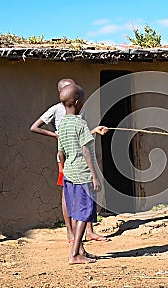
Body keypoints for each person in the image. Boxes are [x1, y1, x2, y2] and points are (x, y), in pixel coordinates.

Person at [30, 78, 109, 244]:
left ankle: (87, 232)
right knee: (72, 198)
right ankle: (71, 234)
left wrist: (94, 130)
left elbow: (82, 134)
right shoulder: (57, 111)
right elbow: (36, 128)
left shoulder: (76, 114)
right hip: (72, 162)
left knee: (81, 200)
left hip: (74, 160)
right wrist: (57, 137)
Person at [57, 84, 100, 264]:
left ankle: (80, 249)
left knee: (75, 213)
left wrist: (66, 167)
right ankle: (74, 254)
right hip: (82, 174)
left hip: (69, 173)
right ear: (77, 102)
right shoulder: (80, 123)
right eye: (83, 100)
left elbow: (60, 153)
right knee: (84, 213)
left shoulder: (62, 125)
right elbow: (85, 150)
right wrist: (94, 175)